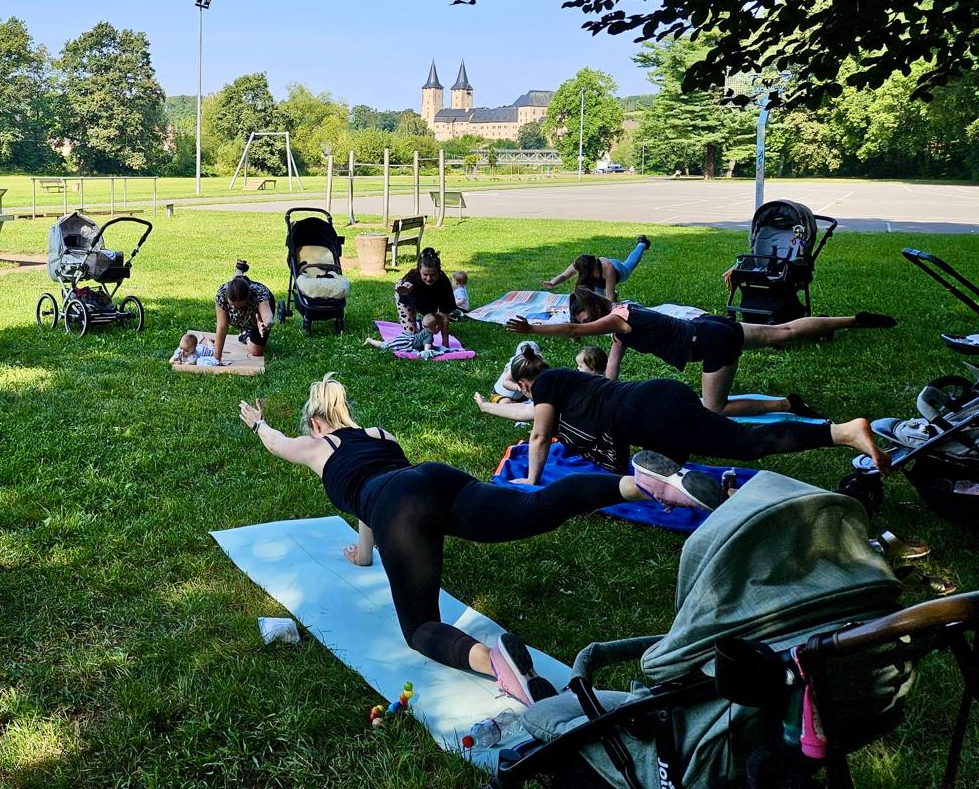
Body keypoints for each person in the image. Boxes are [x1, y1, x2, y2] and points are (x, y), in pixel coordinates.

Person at [237, 375, 686, 702]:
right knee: (531, 508)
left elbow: (278, 443)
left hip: (399, 506)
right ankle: (642, 485)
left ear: (315, 422)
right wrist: (364, 552)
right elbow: (378, 493)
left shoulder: (317, 446)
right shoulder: (380, 435)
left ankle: (496, 664)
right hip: (433, 478)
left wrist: (258, 423)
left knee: (419, 630)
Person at [475, 352, 888, 508]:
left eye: (523, 390)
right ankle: (715, 495)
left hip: (652, 411)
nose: (528, 398)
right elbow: (527, 417)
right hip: (652, 409)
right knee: (665, 479)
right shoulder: (565, 386)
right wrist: (488, 408)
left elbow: (539, 435)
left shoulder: (547, 384)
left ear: (529, 383)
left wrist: (531, 480)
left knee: (742, 444)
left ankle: (842, 431)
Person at [507, 287, 896, 416]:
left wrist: (532, 328)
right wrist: (602, 396)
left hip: (711, 342)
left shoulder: (615, 318)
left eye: (582, 313)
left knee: (714, 410)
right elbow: (611, 373)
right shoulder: (623, 322)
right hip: (711, 325)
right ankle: (852, 320)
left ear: (594, 308)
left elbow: (575, 329)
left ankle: (786, 405)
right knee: (785, 330)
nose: (580, 320)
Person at [542, 237, 652, 302]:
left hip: (619, 271)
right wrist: (552, 283)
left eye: (593, 272)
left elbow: (609, 297)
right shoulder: (580, 264)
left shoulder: (607, 268)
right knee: (597, 299)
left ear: (595, 265)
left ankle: (642, 244)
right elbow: (563, 276)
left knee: (629, 264)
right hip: (599, 284)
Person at [214, 261, 275, 358]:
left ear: (248, 297)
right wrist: (217, 358)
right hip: (237, 290)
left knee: (256, 351)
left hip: (257, 314)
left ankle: (246, 335)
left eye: (239, 306)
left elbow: (268, 317)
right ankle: (239, 271)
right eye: (232, 305)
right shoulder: (222, 294)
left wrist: (264, 325)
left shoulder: (260, 294)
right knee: (237, 284)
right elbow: (222, 327)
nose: (234, 308)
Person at [394, 248, 455, 332]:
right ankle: (416, 324)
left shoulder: (443, 282)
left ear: (439, 271)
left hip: (427, 300)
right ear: (419, 270)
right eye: (425, 274)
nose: (429, 278)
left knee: (433, 326)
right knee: (411, 337)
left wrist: (445, 344)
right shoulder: (413, 277)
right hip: (407, 298)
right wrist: (405, 289)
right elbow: (407, 286)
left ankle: (420, 323)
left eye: (433, 275)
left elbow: (445, 317)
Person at [364, 313, 447, 355]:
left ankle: (371, 341)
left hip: (408, 338)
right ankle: (370, 340)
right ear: (436, 328)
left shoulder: (425, 331)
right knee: (386, 346)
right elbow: (427, 348)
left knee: (389, 344)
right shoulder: (429, 335)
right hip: (407, 343)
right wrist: (428, 354)